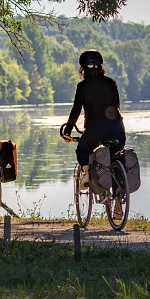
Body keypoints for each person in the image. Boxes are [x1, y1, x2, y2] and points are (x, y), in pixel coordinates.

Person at [62, 49, 126, 212]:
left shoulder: (82, 86)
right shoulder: (111, 82)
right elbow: (117, 106)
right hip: (117, 127)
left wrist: (67, 130)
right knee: (115, 157)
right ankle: (118, 202)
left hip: (96, 128)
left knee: (82, 151)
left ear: (82, 68)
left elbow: (76, 110)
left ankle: (86, 175)